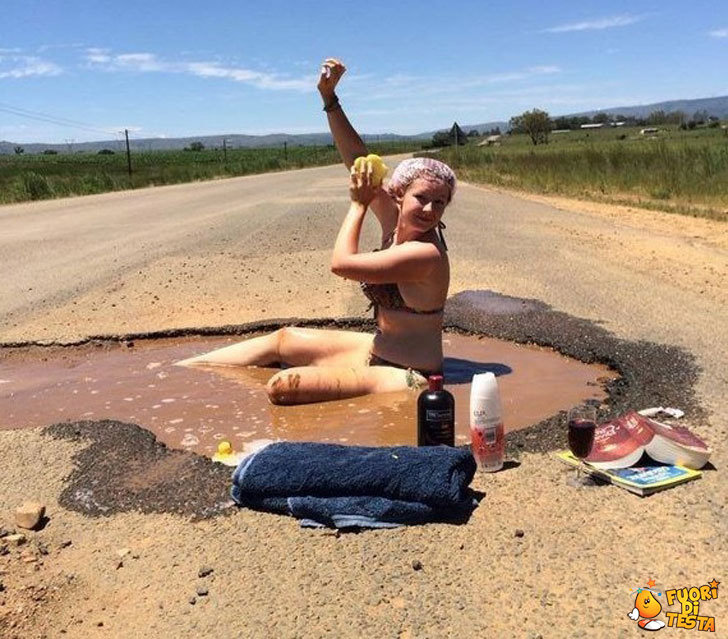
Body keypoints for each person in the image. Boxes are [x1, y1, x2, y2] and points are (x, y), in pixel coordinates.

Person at [176, 58, 457, 405]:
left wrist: (357, 204)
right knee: (284, 339)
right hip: (375, 350)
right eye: (422, 198)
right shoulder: (395, 219)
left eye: (440, 203)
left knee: (282, 386)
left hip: (410, 375)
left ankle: (204, 394)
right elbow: (358, 159)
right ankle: (179, 373)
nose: (430, 210)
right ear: (398, 195)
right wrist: (329, 98)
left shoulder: (425, 253)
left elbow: (341, 264)